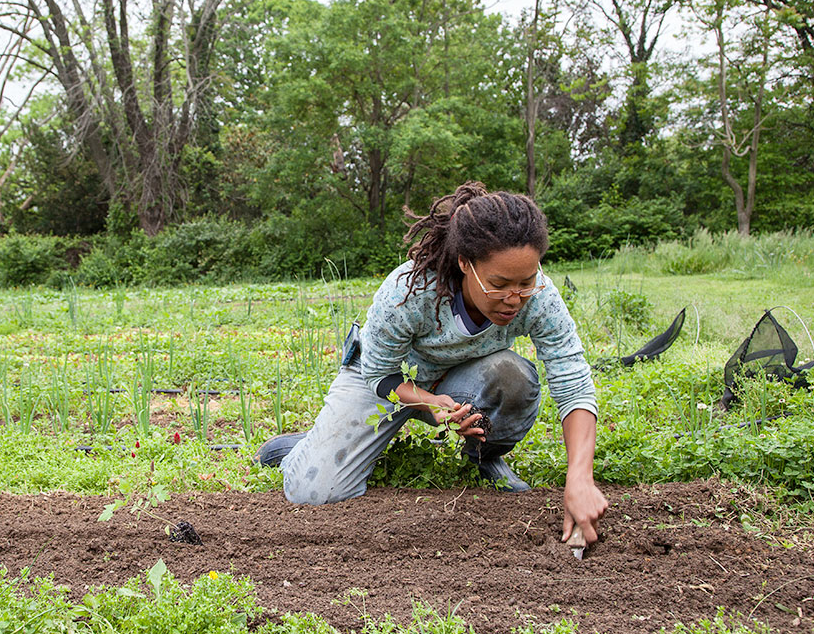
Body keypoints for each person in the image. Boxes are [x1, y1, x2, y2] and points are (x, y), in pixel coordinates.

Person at [256, 181, 608, 546]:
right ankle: (302, 448)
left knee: (514, 377)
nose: (514, 298)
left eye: (527, 281)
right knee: (313, 491)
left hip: (461, 378)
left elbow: (573, 379)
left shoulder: (540, 298)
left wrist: (580, 477)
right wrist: (428, 402)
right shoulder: (410, 290)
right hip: (386, 378)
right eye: (499, 284)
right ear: (464, 264)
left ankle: (484, 456)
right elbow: (378, 372)